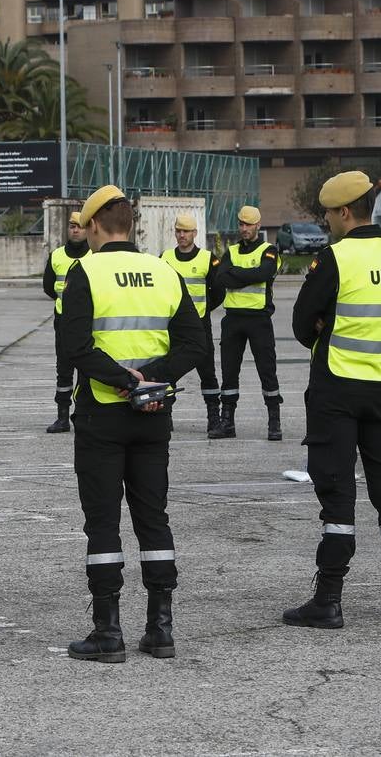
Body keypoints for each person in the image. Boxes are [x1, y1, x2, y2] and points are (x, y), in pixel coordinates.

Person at [58, 184, 208, 662]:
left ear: (96, 226)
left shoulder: (85, 272)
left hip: (102, 414)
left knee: (103, 523)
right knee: (153, 519)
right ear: (133, 225)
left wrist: (123, 380)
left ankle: (108, 632)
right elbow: (195, 345)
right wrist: (151, 380)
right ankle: (161, 629)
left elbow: (75, 348)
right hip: (152, 414)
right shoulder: (164, 272)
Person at [284, 171, 381, 629]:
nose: (325, 220)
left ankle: (329, 599)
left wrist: (328, 324)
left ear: (345, 212)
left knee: (338, 495)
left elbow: (303, 324)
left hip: (337, 388)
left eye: (327, 213)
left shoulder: (335, 259)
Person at [210, 205, 282, 441]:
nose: (244, 229)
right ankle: (227, 422)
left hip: (259, 319)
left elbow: (263, 274)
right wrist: (246, 273)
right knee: (229, 371)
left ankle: (274, 422)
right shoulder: (231, 251)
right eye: (241, 224)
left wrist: (236, 275)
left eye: (249, 224)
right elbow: (221, 278)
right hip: (233, 320)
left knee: (267, 371)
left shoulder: (269, 250)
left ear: (258, 226)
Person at [159, 213, 222, 435]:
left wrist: (201, 313)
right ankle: (165, 415)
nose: (182, 235)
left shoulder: (208, 258)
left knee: (208, 373)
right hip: (172, 326)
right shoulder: (165, 258)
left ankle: (214, 417)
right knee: (168, 371)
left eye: (186, 231)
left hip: (199, 326)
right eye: (178, 231)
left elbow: (219, 292)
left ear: (195, 233)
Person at [43, 212, 88, 433]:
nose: (75, 230)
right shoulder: (57, 256)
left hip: (89, 322)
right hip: (64, 321)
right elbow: (48, 286)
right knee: (64, 370)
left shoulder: (94, 255)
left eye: (80, 226)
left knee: (87, 369)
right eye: (72, 226)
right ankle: (62, 417)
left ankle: (83, 414)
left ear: (88, 229)